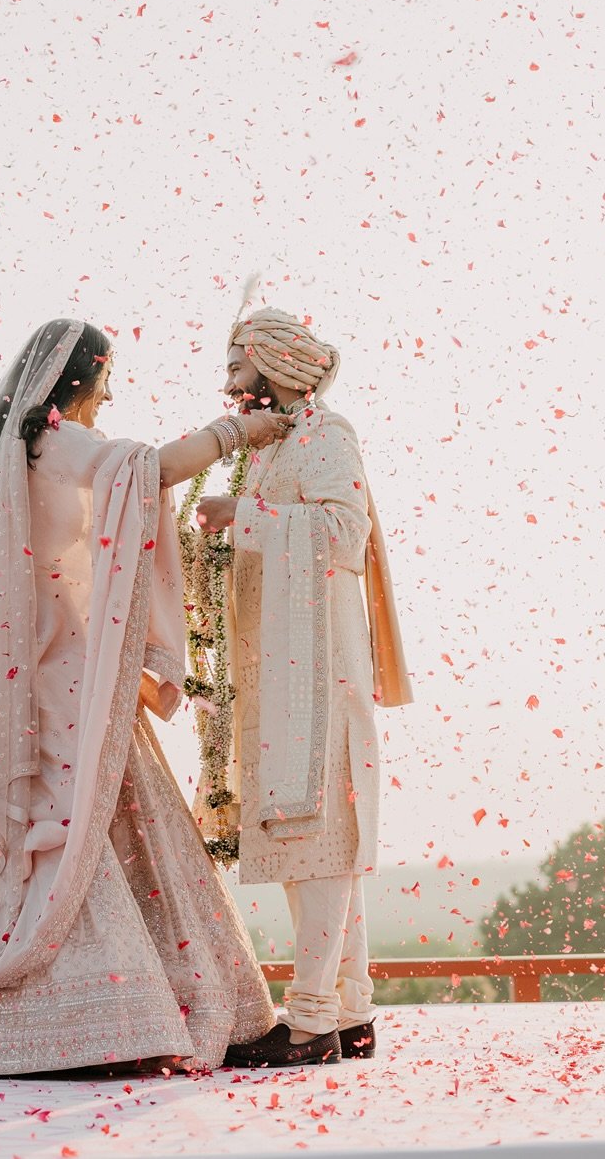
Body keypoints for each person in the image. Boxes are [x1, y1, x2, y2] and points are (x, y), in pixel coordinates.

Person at [0, 318, 290, 1076]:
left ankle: (134, 1006)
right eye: (106, 376)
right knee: (87, 819)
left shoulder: (9, 452)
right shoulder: (54, 441)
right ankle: (104, 1016)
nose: (111, 391)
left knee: (69, 817)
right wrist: (241, 431)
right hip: (64, 671)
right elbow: (151, 469)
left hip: (30, 670)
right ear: (76, 379)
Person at [195, 306, 413, 1068]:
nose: (226, 383)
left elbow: (345, 537)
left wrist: (244, 516)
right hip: (280, 664)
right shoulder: (274, 446)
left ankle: (313, 1018)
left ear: (274, 366)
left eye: (235, 367)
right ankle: (350, 1011)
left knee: (320, 836)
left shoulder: (328, 435)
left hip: (319, 667)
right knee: (311, 837)